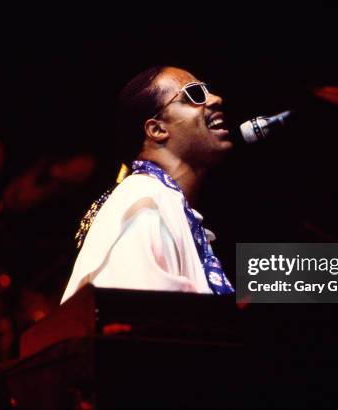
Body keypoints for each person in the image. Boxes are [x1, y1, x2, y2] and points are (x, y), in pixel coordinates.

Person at [60, 66, 235, 304]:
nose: (215, 99)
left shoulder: (165, 204)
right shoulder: (143, 202)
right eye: (194, 93)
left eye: (208, 90)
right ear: (157, 129)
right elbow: (145, 328)